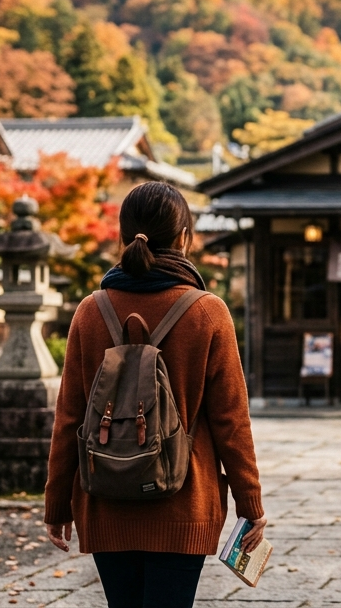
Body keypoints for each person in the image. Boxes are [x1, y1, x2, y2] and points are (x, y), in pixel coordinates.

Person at [43, 182, 266, 608]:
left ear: (123, 236)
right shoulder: (207, 311)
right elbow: (230, 421)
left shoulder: (91, 310)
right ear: (184, 238)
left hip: (105, 499)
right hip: (183, 506)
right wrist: (249, 502)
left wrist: (57, 504)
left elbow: (69, 417)